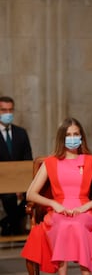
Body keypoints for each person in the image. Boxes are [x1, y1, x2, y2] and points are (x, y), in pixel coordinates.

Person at [21, 117, 92, 275]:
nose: (72, 138)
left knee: (78, 225)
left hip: (84, 210)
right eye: (68, 135)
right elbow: (30, 194)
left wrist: (86, 206)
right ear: (61, 138)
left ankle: (86, 273)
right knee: (63, 225)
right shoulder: (50, 162)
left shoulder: (90, 161)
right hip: (58, 210)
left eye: (75, 134)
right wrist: (54, 203)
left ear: (81, 137)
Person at [0, 96, 33, 236]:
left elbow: (27, 160)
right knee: (9, 197)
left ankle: (6, 224)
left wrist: (20, 185)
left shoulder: (21, 133)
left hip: (21, 182)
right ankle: (12, 227)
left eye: (10, 110)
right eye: (3, 110)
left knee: (32, 198)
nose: (7, 113)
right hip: (2, 183)